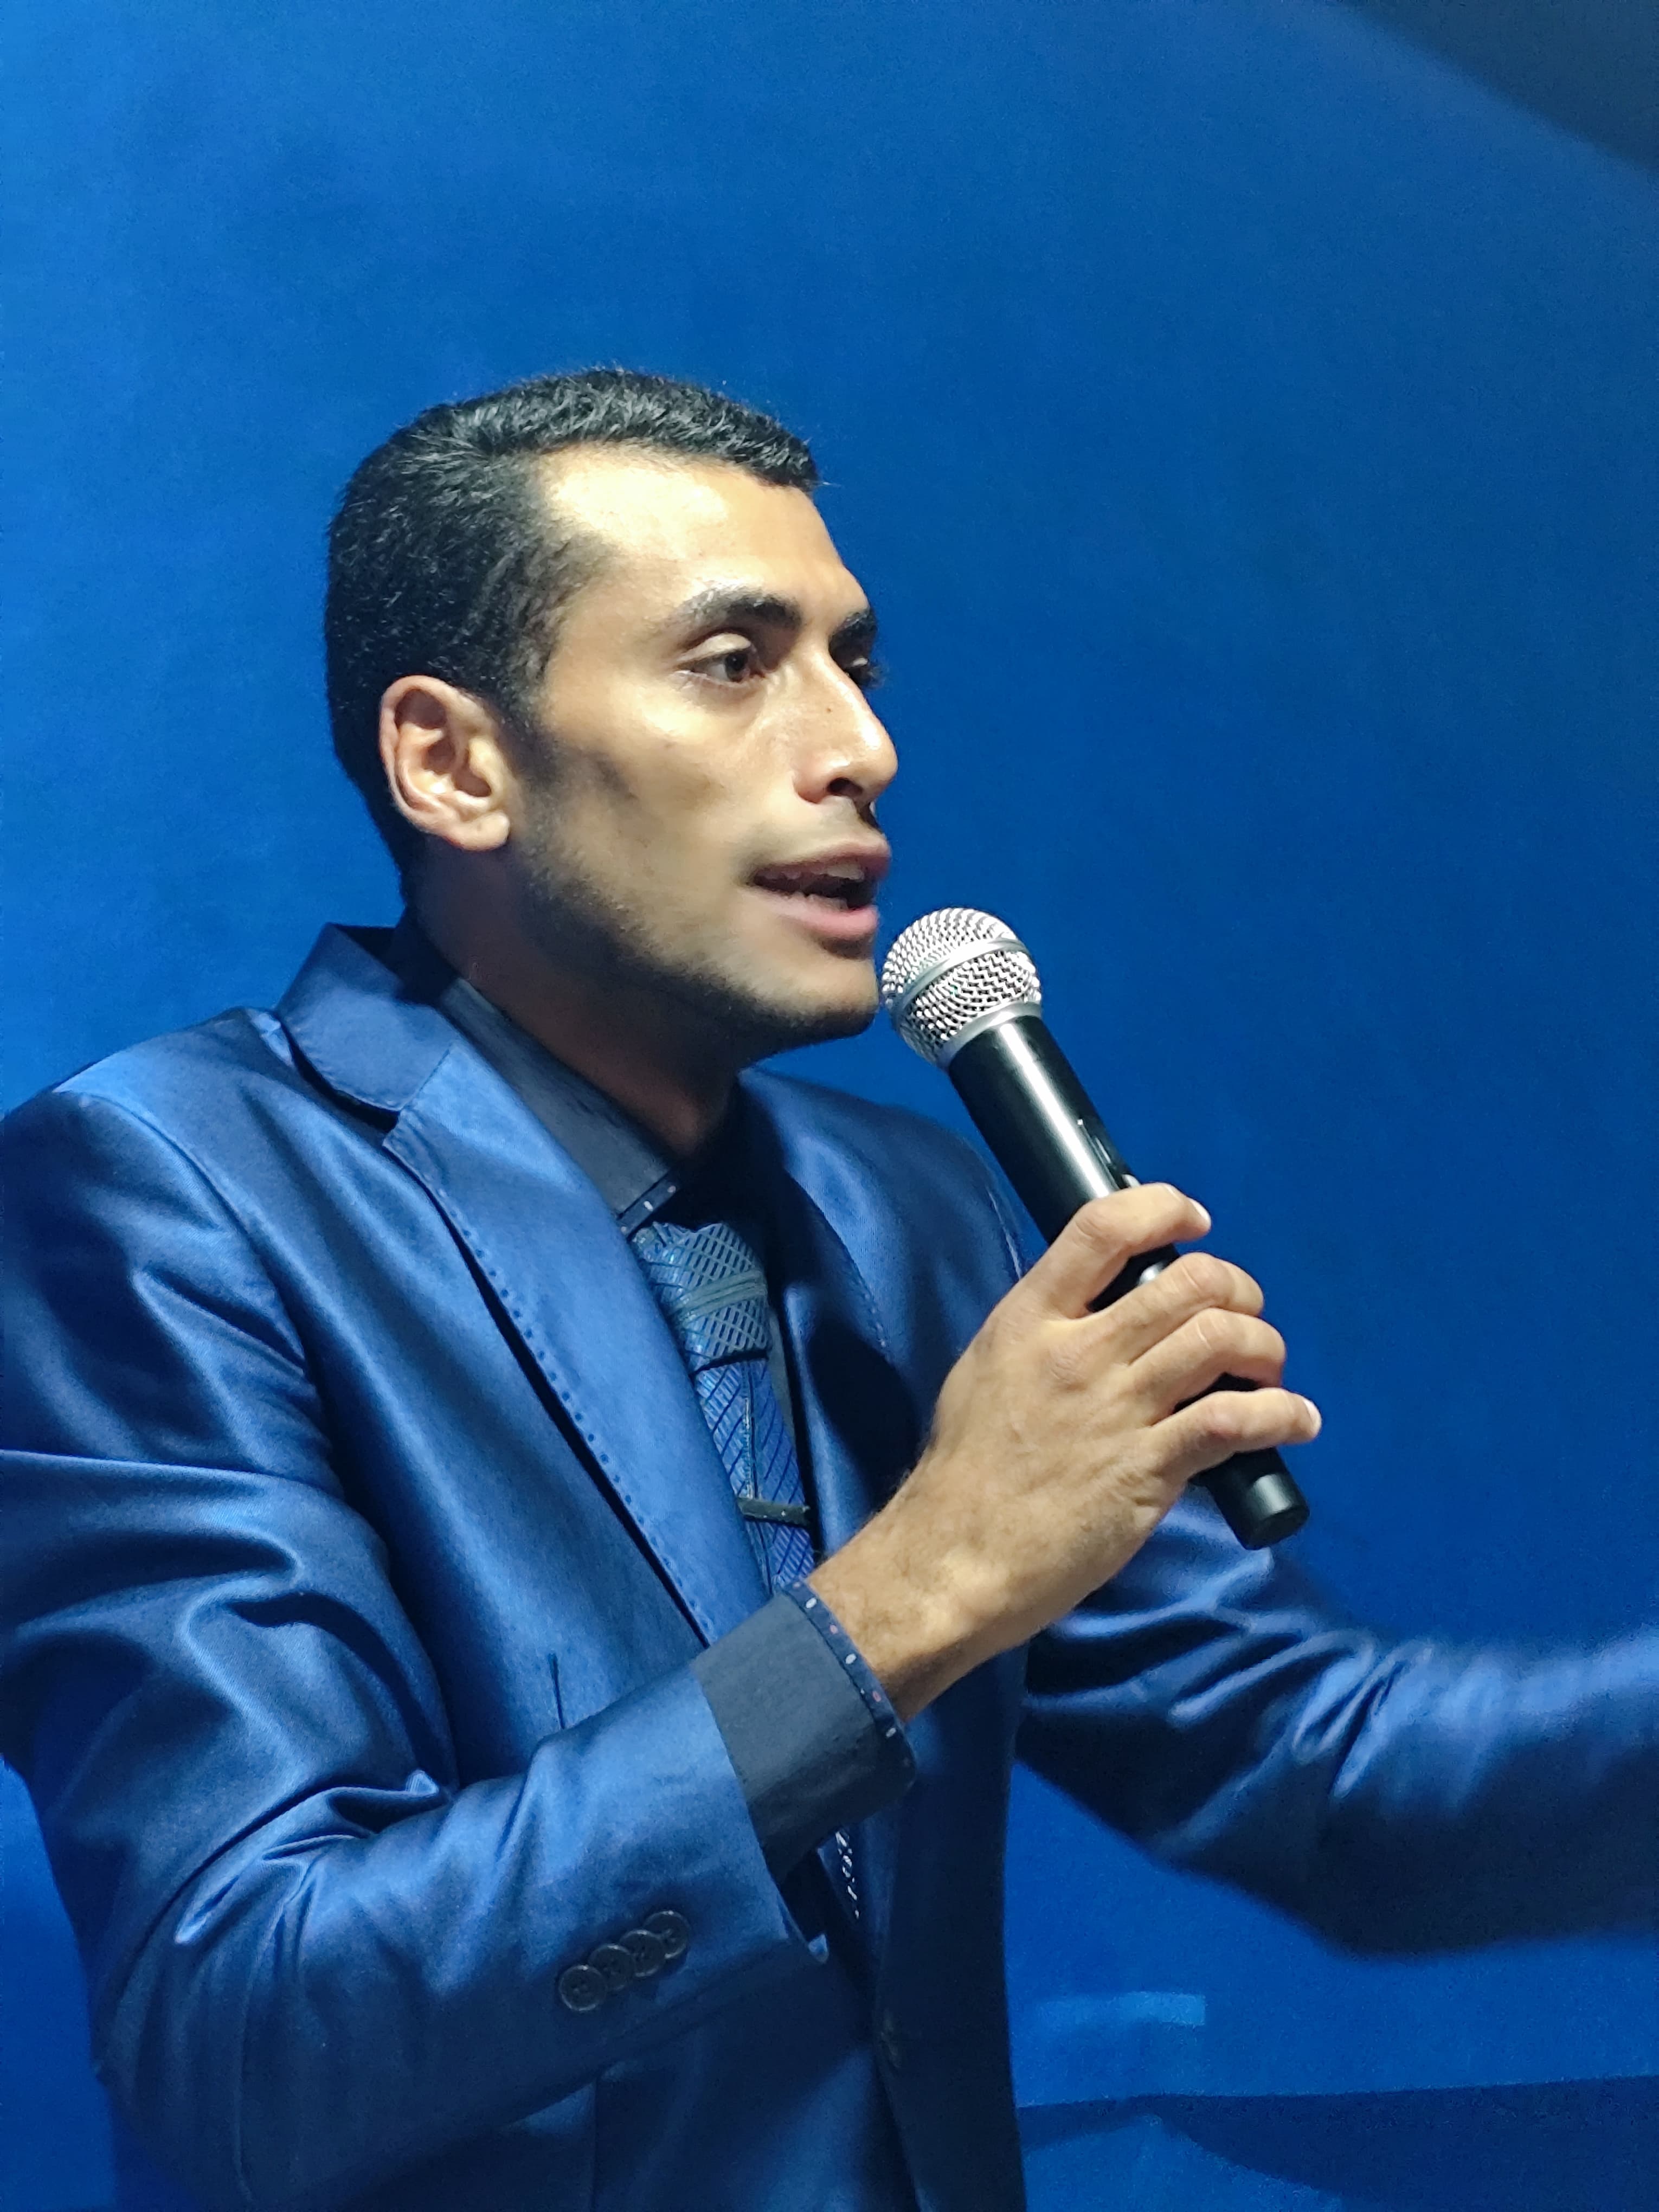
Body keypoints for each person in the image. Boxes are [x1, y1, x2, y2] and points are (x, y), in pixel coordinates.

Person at [1, 370, 1652, 2212]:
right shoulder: (165, 1188)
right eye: (733, 664)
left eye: (855, 664)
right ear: (453, 763)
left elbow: (1315, 1773)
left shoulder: (918, 1207)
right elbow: (244, 2031)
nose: (858, 747)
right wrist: (919, 1589)